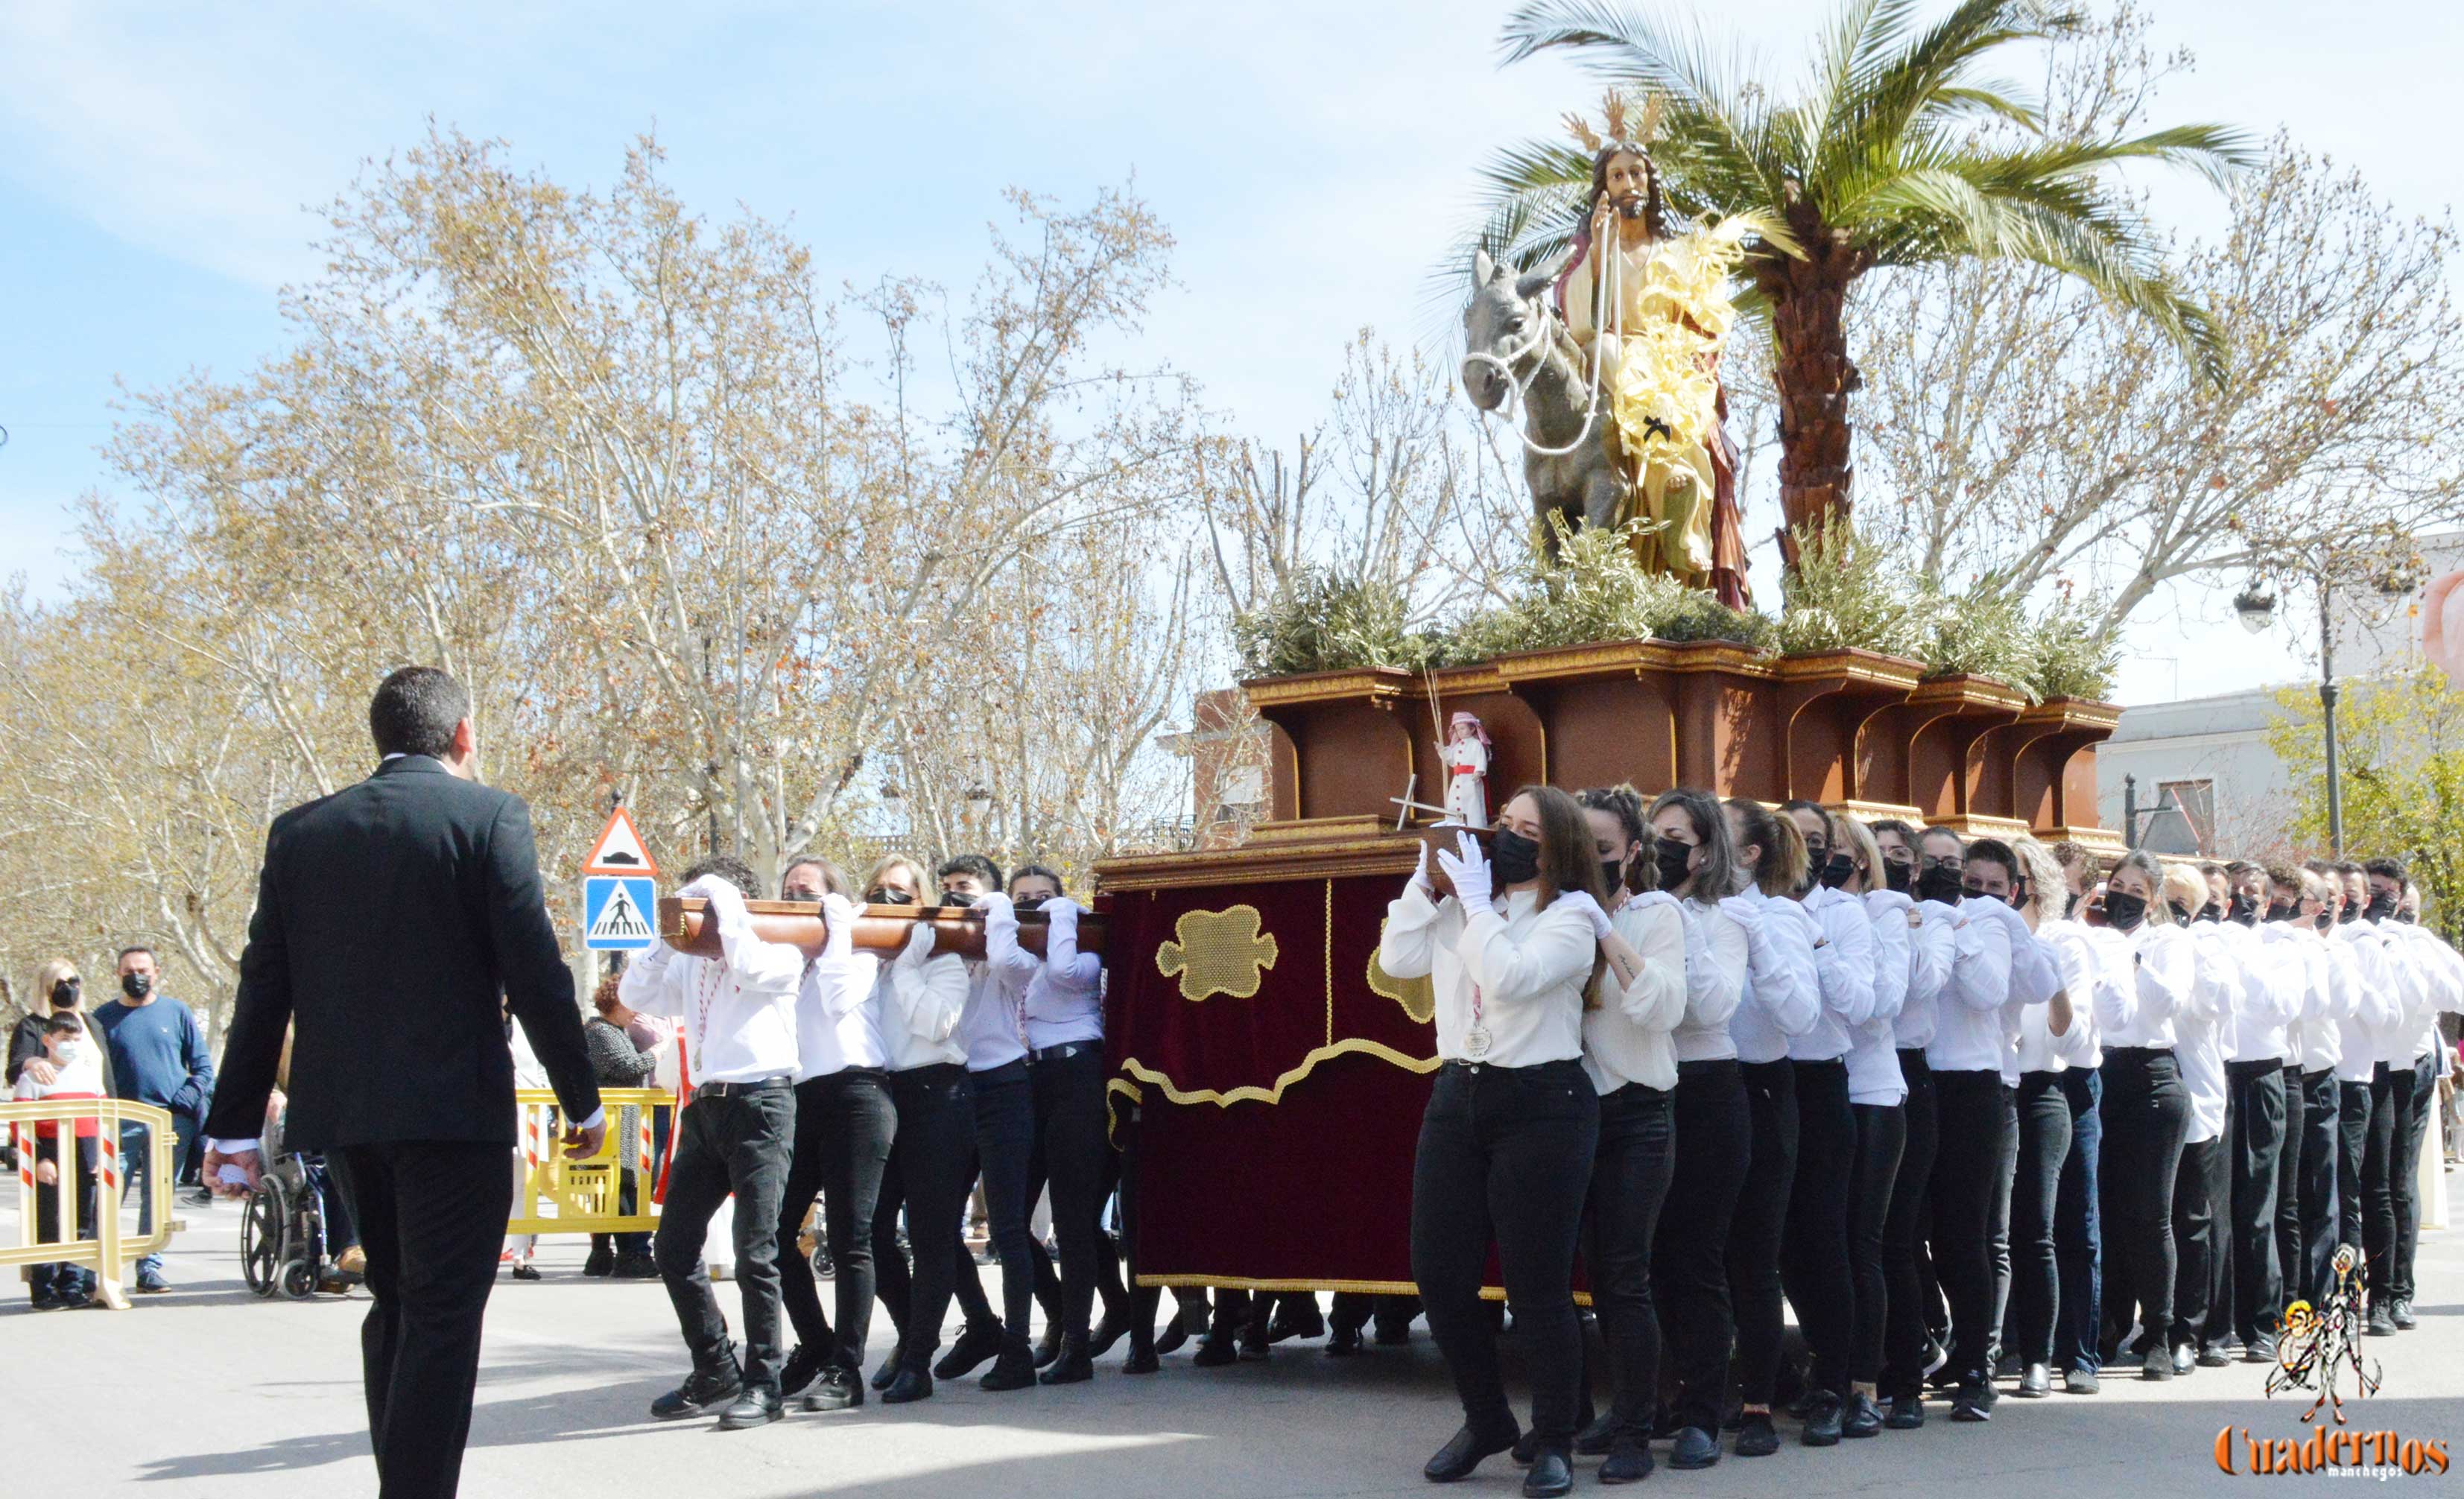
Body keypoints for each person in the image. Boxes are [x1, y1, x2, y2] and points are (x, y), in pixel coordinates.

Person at [200, 665, 604, 1499]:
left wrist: (233, 1126)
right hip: (454, 1115)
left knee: (396, 1302)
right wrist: (583, 1095)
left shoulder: (301, 831)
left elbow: (263, 984)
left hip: (347, 1118)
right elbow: (535, 972)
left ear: (380, 738)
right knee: (443, 1318)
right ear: (463, 736)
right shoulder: (488, 815)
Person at [1381, 787, 1605, 1498]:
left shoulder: (1570, 915)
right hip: (1459, 1091)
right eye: (1502, 823)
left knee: (1536, 1284)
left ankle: (1556, 1438)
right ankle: (1486, 1418)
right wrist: (1427, 883)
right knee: (1439, 1273)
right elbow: (1399, 959)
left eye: (1526, 830)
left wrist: (1475, 904)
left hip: (1543, 1102)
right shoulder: (1464, 904)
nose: (1504, 836)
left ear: (1558, 844)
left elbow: (1510, 979)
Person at [619, 857, 804, 1428]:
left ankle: (764, 1381)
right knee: (671, 1247)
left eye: (704, 904)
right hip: (706, 1106)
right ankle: (713, 1365)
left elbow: (749, 968)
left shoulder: (781, 947)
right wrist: (670, 931)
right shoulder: (691, 964)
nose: (696, 914)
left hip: (761, 1103)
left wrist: (723, 903)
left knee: (756, 1252)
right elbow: (635, 991)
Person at [1572, 786, 1691, 1483]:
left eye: (1605, 851)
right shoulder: (1547, 914)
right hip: (1566, 1114)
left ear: (1634, 853)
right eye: (1579, 849)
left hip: (1639, 1113)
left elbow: (1659, 1008)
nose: (1591, 861)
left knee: (1624, 1274)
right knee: (1579, 1274)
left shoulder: (1656, 914)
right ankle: (1583, 1415)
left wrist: (1603, 928)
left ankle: (1636, 1428)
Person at [1641, 789, 1747, 1470]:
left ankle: (1703, 1413)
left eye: (1675, 836)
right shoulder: (1633, 910)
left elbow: (1708, 1007)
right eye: (1653, 834)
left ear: (1704, 850)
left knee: (1695, 1260)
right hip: (1640, 1089)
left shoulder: (1723, 920)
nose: (1662, 847)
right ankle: (1640, 1406)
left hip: (1707, 1092)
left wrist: (1675, 924)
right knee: (1637, 1260)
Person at [773, 855, 899, 1412]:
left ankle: (846, 1368)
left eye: (809, 892)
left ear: (833, 900)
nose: (797, 899)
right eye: (789, 892)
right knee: (774, 1235)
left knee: (851, 1237)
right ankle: (818, 1345)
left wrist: (836, 932)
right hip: (803, 1099)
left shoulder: (858, 949)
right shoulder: (784, 962)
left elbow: (838, 1000)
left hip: (857, 1095)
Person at [1718, 797, 1822, 1456]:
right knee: (1696, 1258)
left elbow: (1798, 1016)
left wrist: (1755, 936)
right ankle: (1698, 1393)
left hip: (1757, 1088)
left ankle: (1758, 1401)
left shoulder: (1778, 916)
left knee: (1753, 1257)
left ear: (1749, 854)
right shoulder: (1683, 910)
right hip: (1695, 1090)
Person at [1776, 800, 1879, 1446]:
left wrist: (1810, 940)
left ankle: (1835, 1383)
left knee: (1824, 1240)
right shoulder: (1748, 904)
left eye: (1819, 841)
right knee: (1771, 1244)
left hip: (1818, 1081)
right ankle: (1781, 1371)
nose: (1809, 851)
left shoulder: (1844, 914)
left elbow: (1861, 1003)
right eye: (1796, 838)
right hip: (1757, 1083)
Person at [1916, 828, 2020, 1421]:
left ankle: (1977, 1367)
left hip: (1970, 1086)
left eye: (1952, 866)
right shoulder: (1901, 915)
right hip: (1914, 1079)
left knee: (1963, 1236)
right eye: (1932, 864)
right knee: (1901, 1231)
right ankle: (1927, 1340)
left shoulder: (1985, 924)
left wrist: (1952, 922)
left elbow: (1988, 992)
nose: (1945, 875)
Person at [937, 854, 1048, 1391]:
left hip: (1004, 1085)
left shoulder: (1012, 943)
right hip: (953, 1087)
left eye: (966, 888)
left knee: (1007, 1229)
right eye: (948, 888)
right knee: (936, 1224)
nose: (955, 896)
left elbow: (1009, 967)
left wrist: (998, 907)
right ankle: (981, 1324)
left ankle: (1017, 1350)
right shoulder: (941, 943)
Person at [867, 880, 975, 1403]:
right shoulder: (870, 968)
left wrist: (909, 966)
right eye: (877, 892)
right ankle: (914, 1332)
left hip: (937, 1094)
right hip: (884, 1098)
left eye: (899, 893)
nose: (886, 903)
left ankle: (916, 1360)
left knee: (931, 1235)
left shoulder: (943, 964)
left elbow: (937, 1023)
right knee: (868, 1232)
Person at [2089, 849, 2194, 1382]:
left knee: (2149, 1215)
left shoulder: (2165, 941)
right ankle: (2109, 1324)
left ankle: (2159, 1333)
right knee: (2104, 1211)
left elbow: (2167, 1003)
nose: (2122, 896)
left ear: (2152, 900)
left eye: (2135, 890)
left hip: (2152, 1079)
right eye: (2116, 885)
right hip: (2099, 1075)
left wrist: (2128, 958)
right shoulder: (2093, 934)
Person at [1015, 862, 1120, 1384]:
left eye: (1044, 898)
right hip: (1025, 1081)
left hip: (1078, 1074)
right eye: (1023, 901)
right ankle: (1059, 1316)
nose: (1034, 907)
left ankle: (1075, 1346)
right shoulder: (1012, 958)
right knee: (1011, 1219)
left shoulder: (1080, 949)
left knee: (1074, 1221)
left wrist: (1062, 916)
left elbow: (1062, 974)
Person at [2004, 839, 2097, 1400]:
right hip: (1988, 1089)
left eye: (2010, 880)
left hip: (2042, 1090)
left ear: (2033, 885)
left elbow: (2077, 1036)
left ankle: (2040, 1356)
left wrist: (2049, 976)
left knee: (2037, 1228)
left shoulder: (2064, 941)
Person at [1872, 819, 1953, 1425]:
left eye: (1898, 853)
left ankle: (1906, 1374)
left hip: (1907, 1074)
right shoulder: (1839, 916)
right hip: (1849, 1075)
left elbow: (1917, 988)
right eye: (1875, 853)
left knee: (1895, 1235)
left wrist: (1901, 921)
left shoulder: (1931, 920)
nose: (1886, 861)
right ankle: (1858, 1362)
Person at [1830, 815, 1907, 1437]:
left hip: (1872, 1093)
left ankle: (1864, 1383)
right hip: (1813, 1089)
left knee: (1862, 1243)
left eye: (1833, 851)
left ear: (1860, 861)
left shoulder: (1884, 914)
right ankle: (1824, 1372)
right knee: (1813, 1243)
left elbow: (1879, 1007)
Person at [87, 945, 214, 1294]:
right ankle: (93, 1269)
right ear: (118, 974)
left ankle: (149, 1267)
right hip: (119, 1122)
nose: (136, 977)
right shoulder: (102, 1018)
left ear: (157, 972)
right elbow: (91, 1071)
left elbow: (203, 1067)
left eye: (143, 970)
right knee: (108, 1196)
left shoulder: (177, 1012)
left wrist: (186, 1099)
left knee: (157, 1198)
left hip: (169, 1124)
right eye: (128, 971)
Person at [2217, 861, 2296, 1360]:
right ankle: (2215, 1325)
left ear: (2266, 903)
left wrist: (2245, 951)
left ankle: (2261, 1324)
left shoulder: (2278, 947)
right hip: (2219, 1073)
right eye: (2236, 892)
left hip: (2263, 1073)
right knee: (2216, 1209)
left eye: (2253, 894)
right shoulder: (2207, 940)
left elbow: (2279, 1007)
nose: (2244, 901)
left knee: (2257, 1208)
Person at [2164, 862, 2237, 1373]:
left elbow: (2216, 1003)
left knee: (2195, 1219)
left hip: (2196, 1096)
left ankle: (2195, 1329)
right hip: (2140, 1096)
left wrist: (2179, 949)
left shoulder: (2205, 946)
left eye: (2173, 903)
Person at [2381, 877, 2464, 1328]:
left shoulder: (2423, 945)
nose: (2394, 914)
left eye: (2405, 908)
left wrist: (2413, 950)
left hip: (2410, 1067)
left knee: (2398, 1180)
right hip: (2359, 1070)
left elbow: (2456, 991)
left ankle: (2397, 1290)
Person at [2047, 842, 2110, 1394]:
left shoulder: (2083, 944)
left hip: (2074, 1083)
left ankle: (2079, 1352)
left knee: (2076, 1221)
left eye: (2064, 887)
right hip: (2026, 1080)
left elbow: (2080, 1038)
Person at [15, 1011, 105, 1308]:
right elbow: (20, 1125)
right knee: (49, 1223)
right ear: (48, 1040)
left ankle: (73, 1286)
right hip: (50, 1156)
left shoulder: (90, 1076)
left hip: (85, 1153)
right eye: (65, 1039)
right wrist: (39, 1159)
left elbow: (103, 1118)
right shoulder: (32, 1080)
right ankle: (43, 1290)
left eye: (76, 1040)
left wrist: (101, 1156)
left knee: (82, 1222)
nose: (71, 1045)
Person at [582, 975, 661, 1279]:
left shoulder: (612, 1031)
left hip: (623, 1119)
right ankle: (629, 1253)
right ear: (614, 1002)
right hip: (619, 1120)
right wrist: (656, 1054)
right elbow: (625, 1067)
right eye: (631, 1004)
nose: (636, 1011)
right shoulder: (600, 1032)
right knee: (624, 1183)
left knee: (617, 1185)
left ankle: (604, 1253)